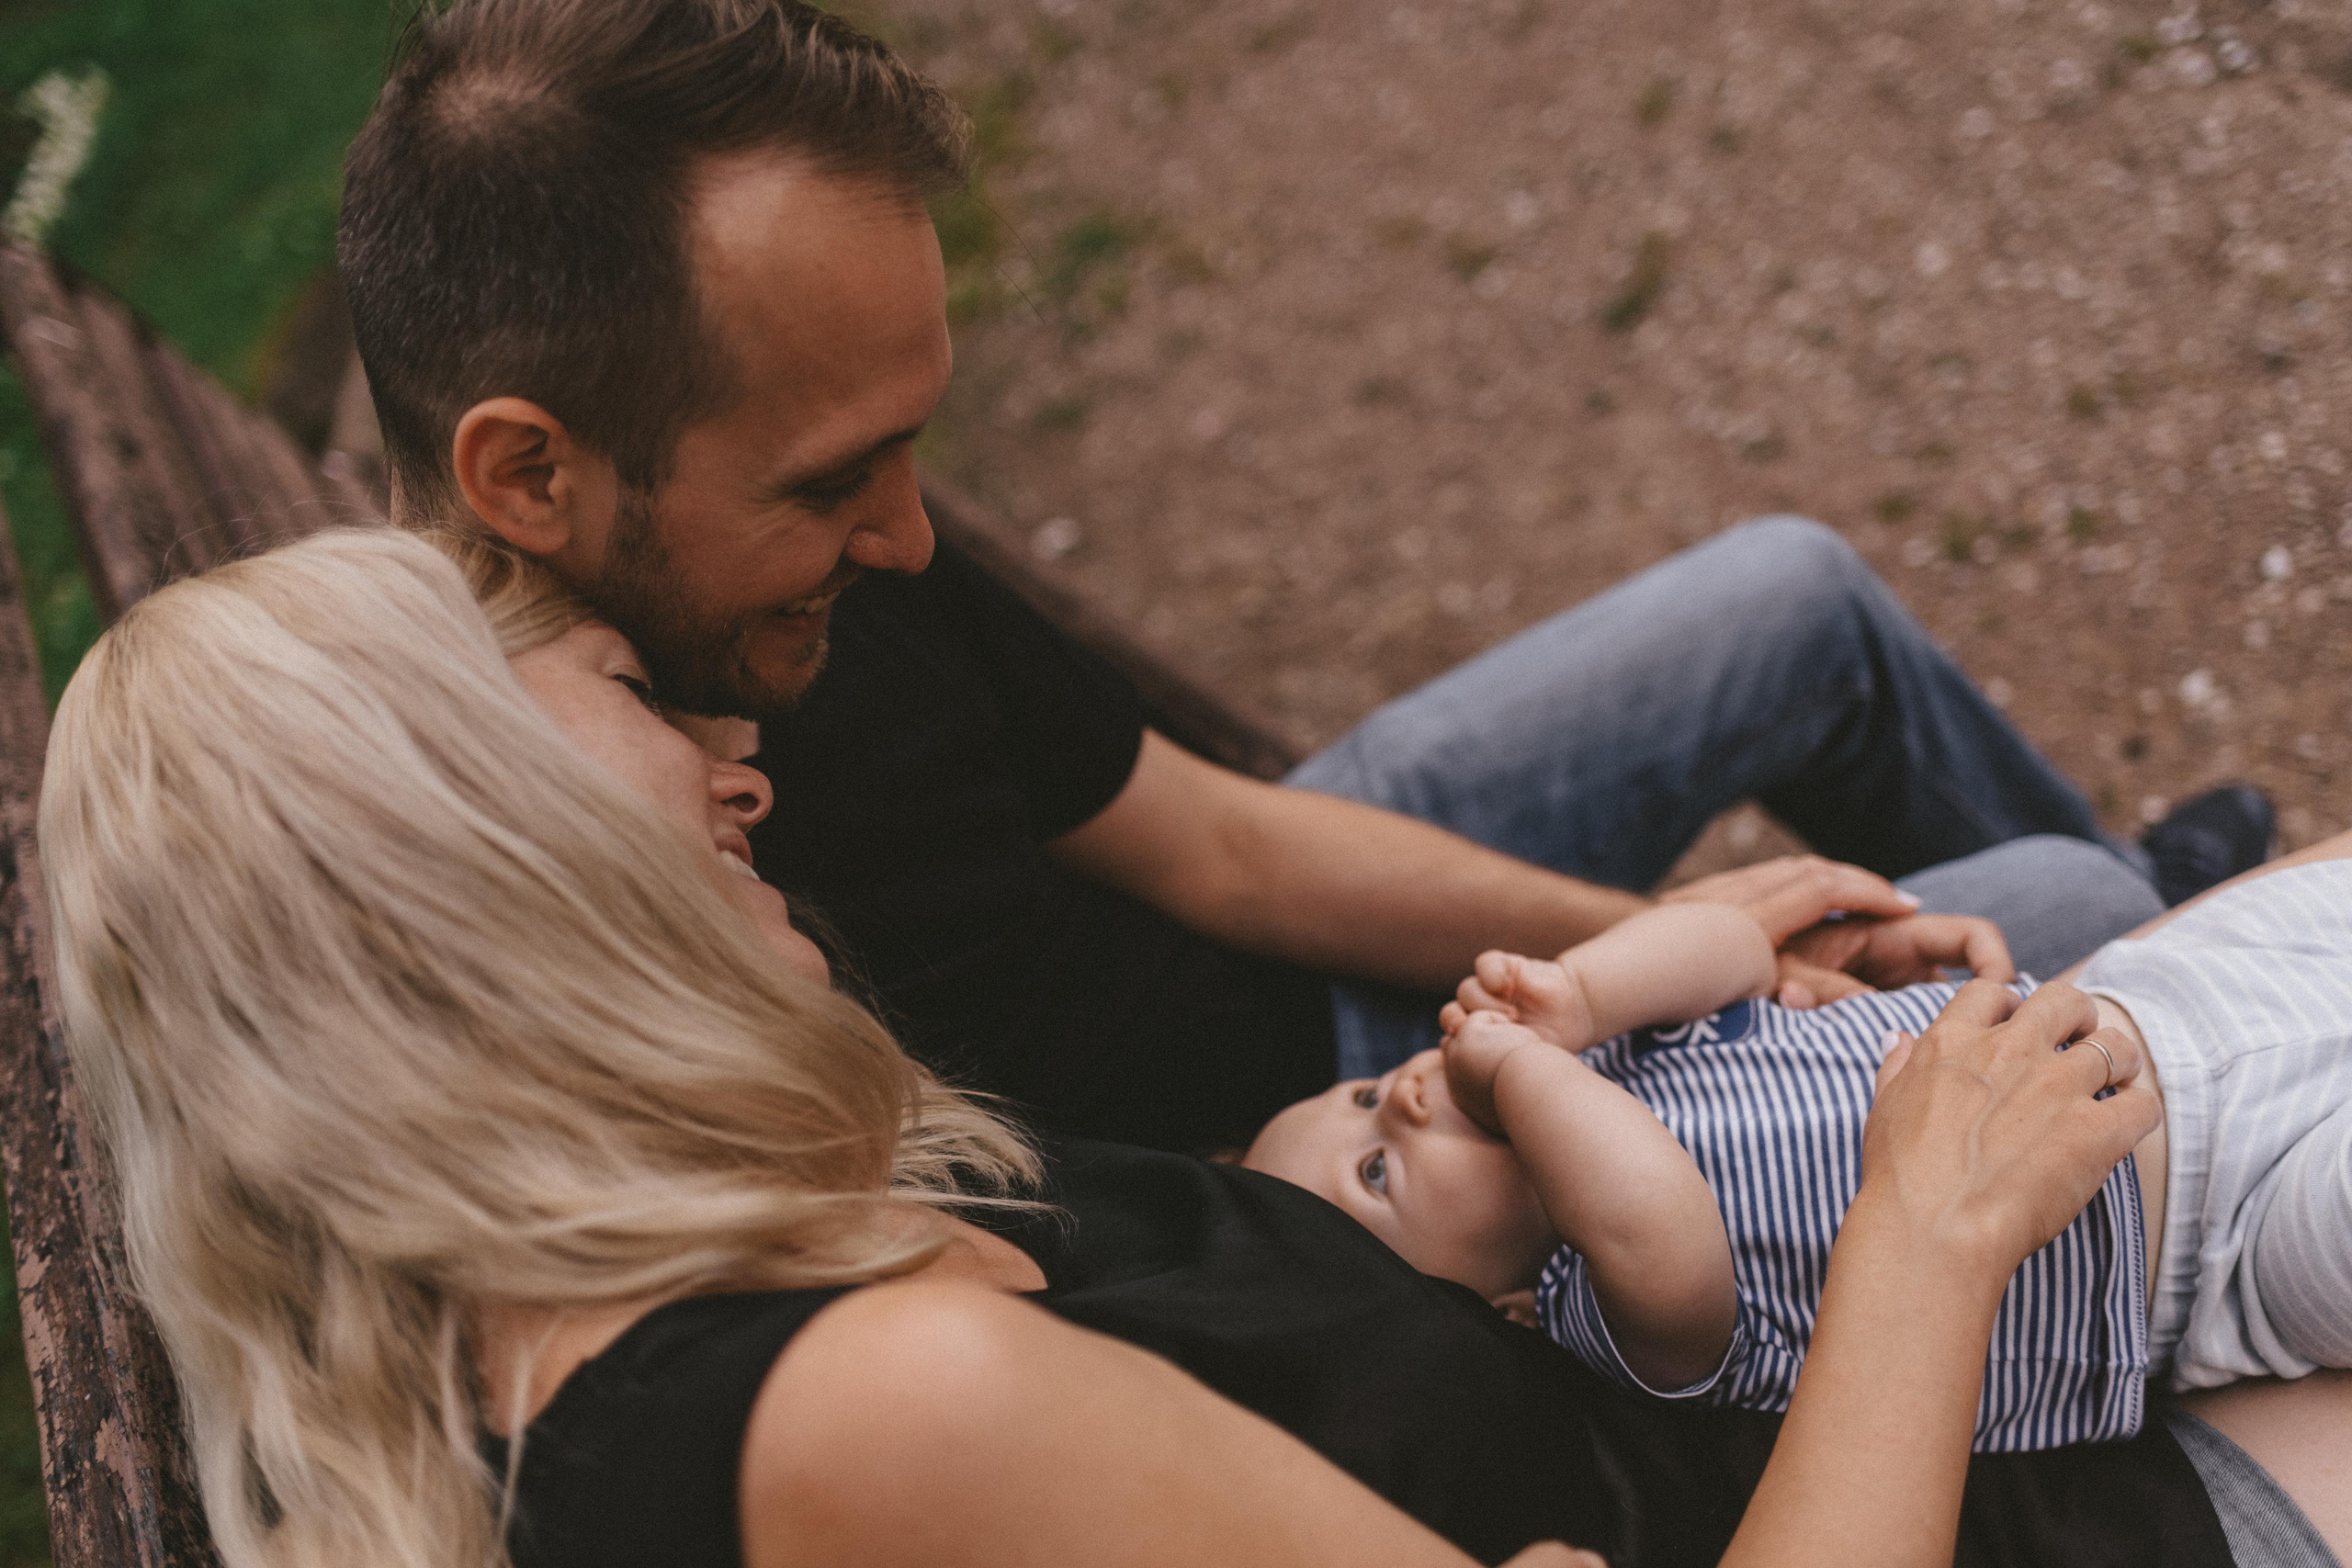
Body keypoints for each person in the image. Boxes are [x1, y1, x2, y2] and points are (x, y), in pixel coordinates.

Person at [35, 527, 2340, 1568]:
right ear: (470, 856)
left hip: (1891, 1423)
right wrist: (1926, 1234)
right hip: (1971, 1482)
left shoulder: (692, 1267)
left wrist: (1623, 1011)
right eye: (643, 707)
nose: (739, 753)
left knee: (2159, 958)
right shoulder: (850, 1404)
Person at [334, 0, 2268, 1156]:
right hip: (1331, 1133)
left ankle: (2149, 960)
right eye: (840, 477)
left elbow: (1223, 849)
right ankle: (2154, 966)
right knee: (2059, 901)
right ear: (528, 475)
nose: (914, 538)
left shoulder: (768, 546)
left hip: (1269, 939)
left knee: (1795, 594)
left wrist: (1703, 954)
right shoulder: (562, 875)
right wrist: (1638, 1000)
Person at [1245, 861, 2352, 1452]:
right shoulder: (1592, 1309)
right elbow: (1659, 1223)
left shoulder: (1608, 1045)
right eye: (1377, 1169)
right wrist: (1528, 1073)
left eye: (1359, 1094)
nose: (1397, 1095)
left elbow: (1734, 951)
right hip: (2211, 1250)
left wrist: (1582, 991)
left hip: (2165, 1007)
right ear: (1485, 1312)